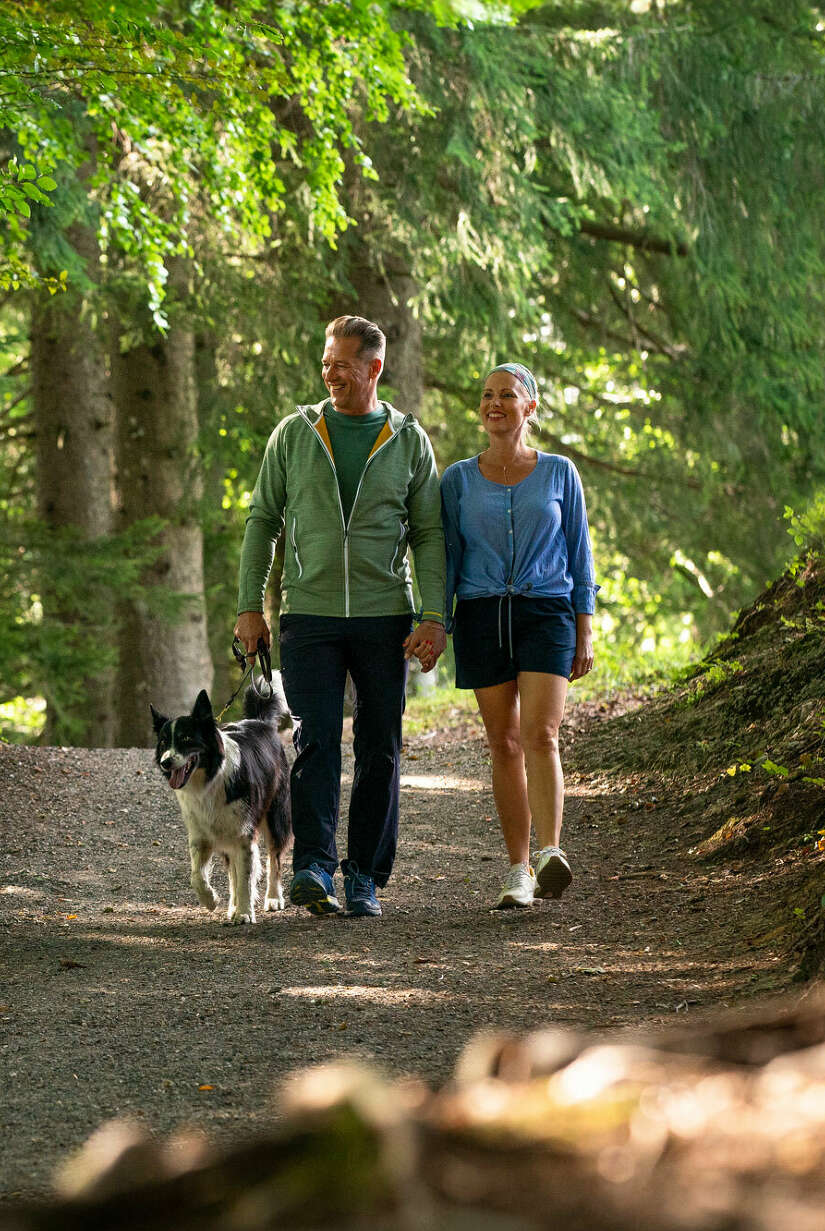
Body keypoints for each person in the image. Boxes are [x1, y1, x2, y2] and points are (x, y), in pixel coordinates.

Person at [233, 316, 448, 920]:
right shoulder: (295, 434)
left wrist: (434, 616)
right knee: (313, 741)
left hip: (386, 617)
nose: (331, 375)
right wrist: (251, 605)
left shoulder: (408, 440)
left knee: (380, 746)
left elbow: (429, 534)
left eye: (343, 365)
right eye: (326, 363)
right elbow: (262, 520)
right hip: (309, 615)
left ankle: (365, 878)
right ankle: (313, 868)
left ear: (374, 368)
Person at [439, 362, 596, 910]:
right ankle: (518, 870)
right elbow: (447, 560)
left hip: (545, 610)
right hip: (482, 615)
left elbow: (580, 553)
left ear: (530, 407)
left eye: (507, 395)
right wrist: (437, 620)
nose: (494, 404)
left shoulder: (559, 473)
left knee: (541, 735)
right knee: (503, 743)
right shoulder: (456, 480)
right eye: (486, 395)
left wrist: (585, 627)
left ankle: (551, 852)